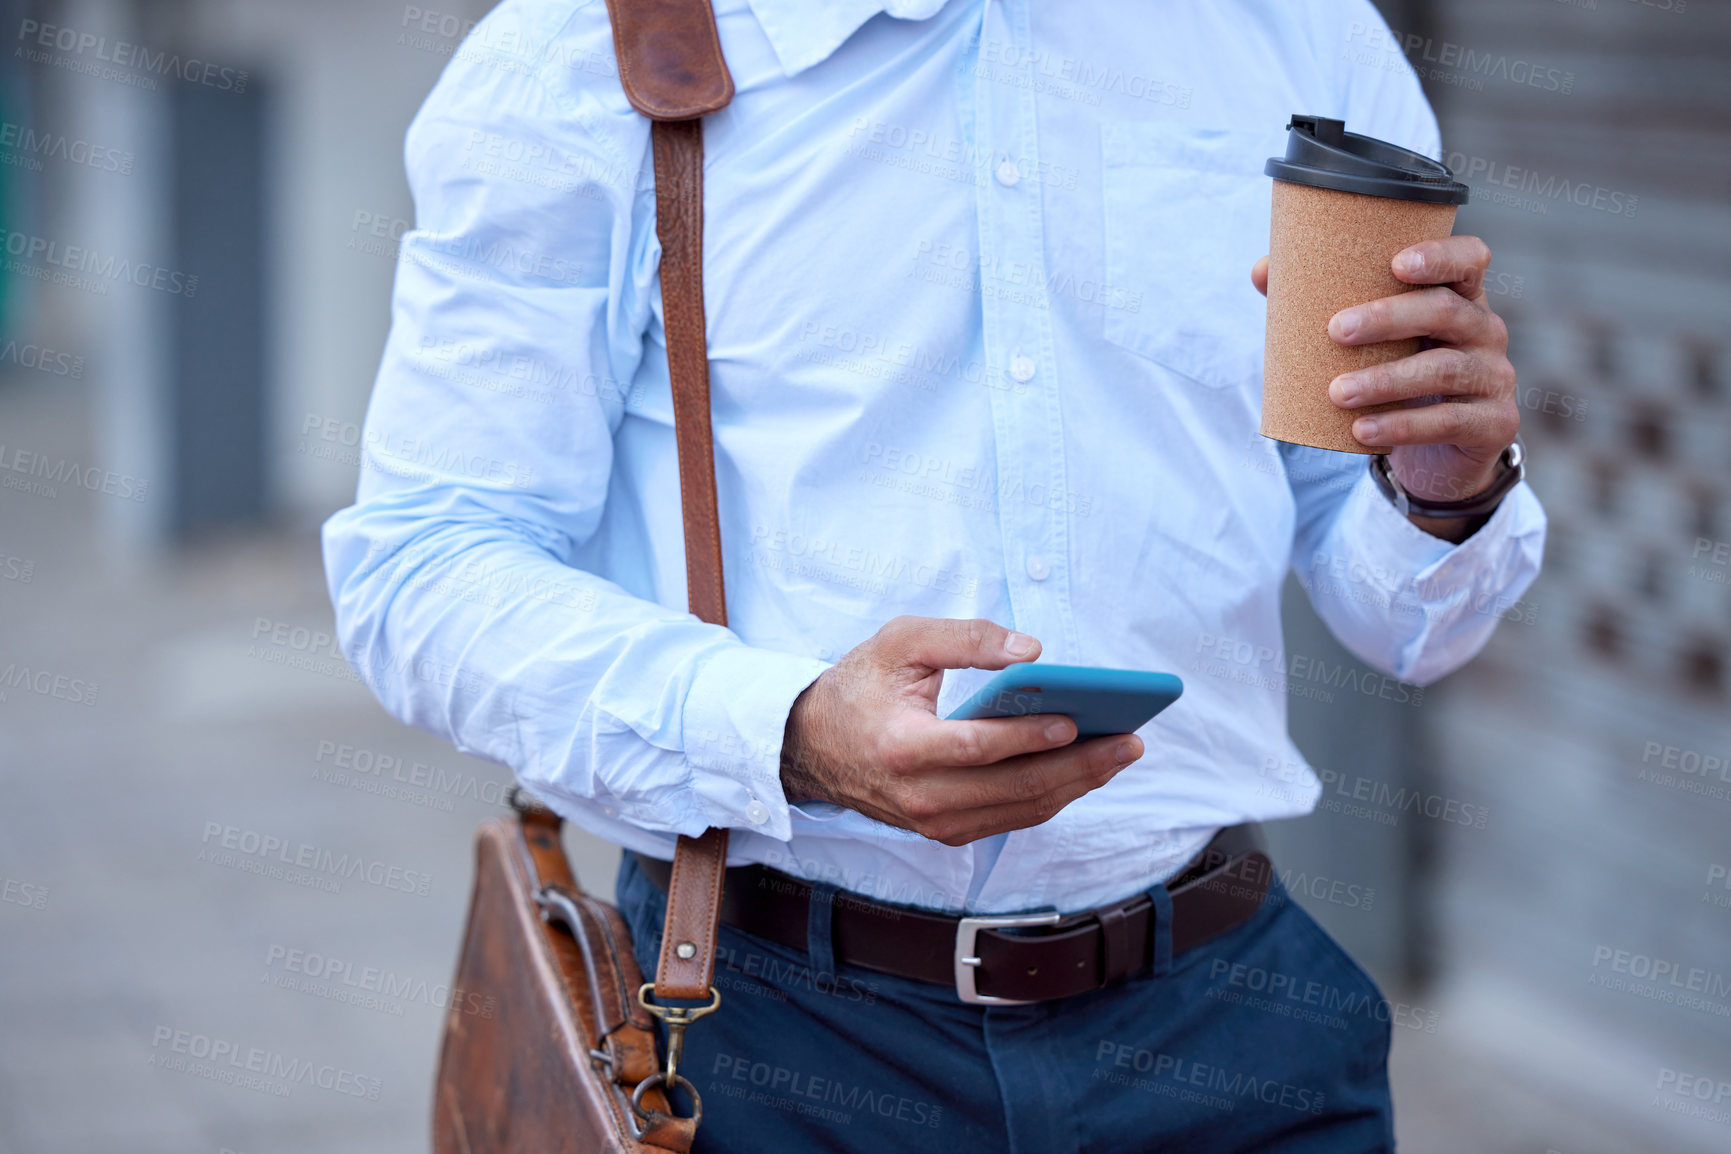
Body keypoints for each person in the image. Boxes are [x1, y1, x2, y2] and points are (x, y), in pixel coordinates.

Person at [324, 0, 1544, 1149]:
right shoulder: (582, 56)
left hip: (1232, 1020)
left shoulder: (1294, 30)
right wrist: (792, 731)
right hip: (764, 1040)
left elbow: (1407, 624)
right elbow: (423, 566)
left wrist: (1443, 487)